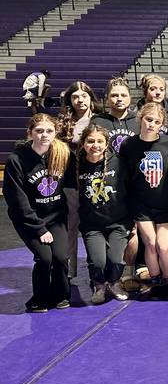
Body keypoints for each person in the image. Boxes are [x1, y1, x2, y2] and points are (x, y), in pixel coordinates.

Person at [3, 114, 74, 312]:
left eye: (49, 131)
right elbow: (18, 201)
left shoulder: (63, 154)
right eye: (39, 131)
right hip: (29, 220)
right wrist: (40, 229)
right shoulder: (17, 160)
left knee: (60, 257)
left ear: (55, 132)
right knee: (45, 258)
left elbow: (73, 183)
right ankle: (39, 299)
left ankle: (60, 295)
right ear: (30, 133)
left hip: (56, 218)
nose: (44, 135)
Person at [118, 103, 168, 295]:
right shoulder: (129, 145)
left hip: (165, 203)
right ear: (140, 119)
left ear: (162, 124)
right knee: (150, 243)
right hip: (141, 204)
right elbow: (124, 177)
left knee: (163, 245)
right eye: (149, 119)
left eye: (157, 121)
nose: (152, 124)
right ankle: (155, 279)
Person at [75, 124, 131, 304]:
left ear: (106, 144)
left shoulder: (118, 162)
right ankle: (99, 284)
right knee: (98, 261)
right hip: (92, 225)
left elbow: (131, 191)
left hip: (118, 222)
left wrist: (134, 222)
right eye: (90, 141)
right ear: (83, 143)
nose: (95, 145)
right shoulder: (76, 165)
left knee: (115, 259)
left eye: (100, 141)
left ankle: (114, 283)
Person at [57, 81, 100, 280]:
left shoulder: (100, 120)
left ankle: (98, 270)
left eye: (84, 95)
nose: (80, 99)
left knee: (96, 226)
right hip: (71, 183)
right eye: (75, 97)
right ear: (70, 100)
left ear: (91, 98)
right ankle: (69, 270)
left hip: (96, 180)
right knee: (71, 227)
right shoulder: (64, 123)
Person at [92, 78, 140, 154]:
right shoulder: (98, 121)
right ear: (107, 98)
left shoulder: (139, 120)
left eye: (124, 95)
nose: (119, 99)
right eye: (114, 95)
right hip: (108, 165)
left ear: (130, 98)